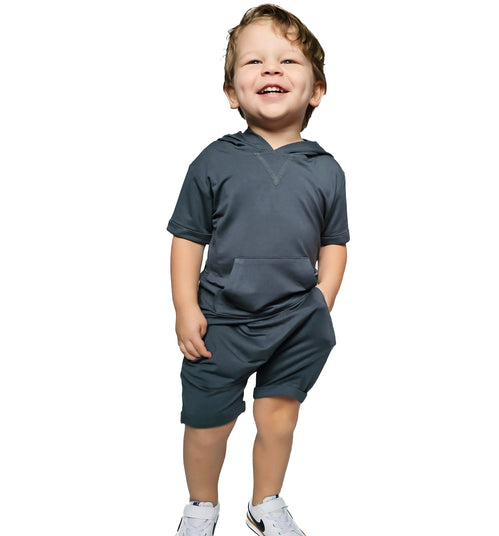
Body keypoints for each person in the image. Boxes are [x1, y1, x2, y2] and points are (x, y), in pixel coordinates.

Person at [167, 4, 350, 535]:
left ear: (316, 90)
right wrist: (185, 307)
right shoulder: (213, 161)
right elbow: (188, 238)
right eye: (254, 61)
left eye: (288, 60)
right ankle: (201, 507)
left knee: (279, 419)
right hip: (222, 320)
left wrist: (322, 301)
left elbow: (334, 243)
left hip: (296, 322)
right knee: (208, 423)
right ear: (232, 92)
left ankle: (265, 503)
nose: (271, 68)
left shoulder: (327, 170)